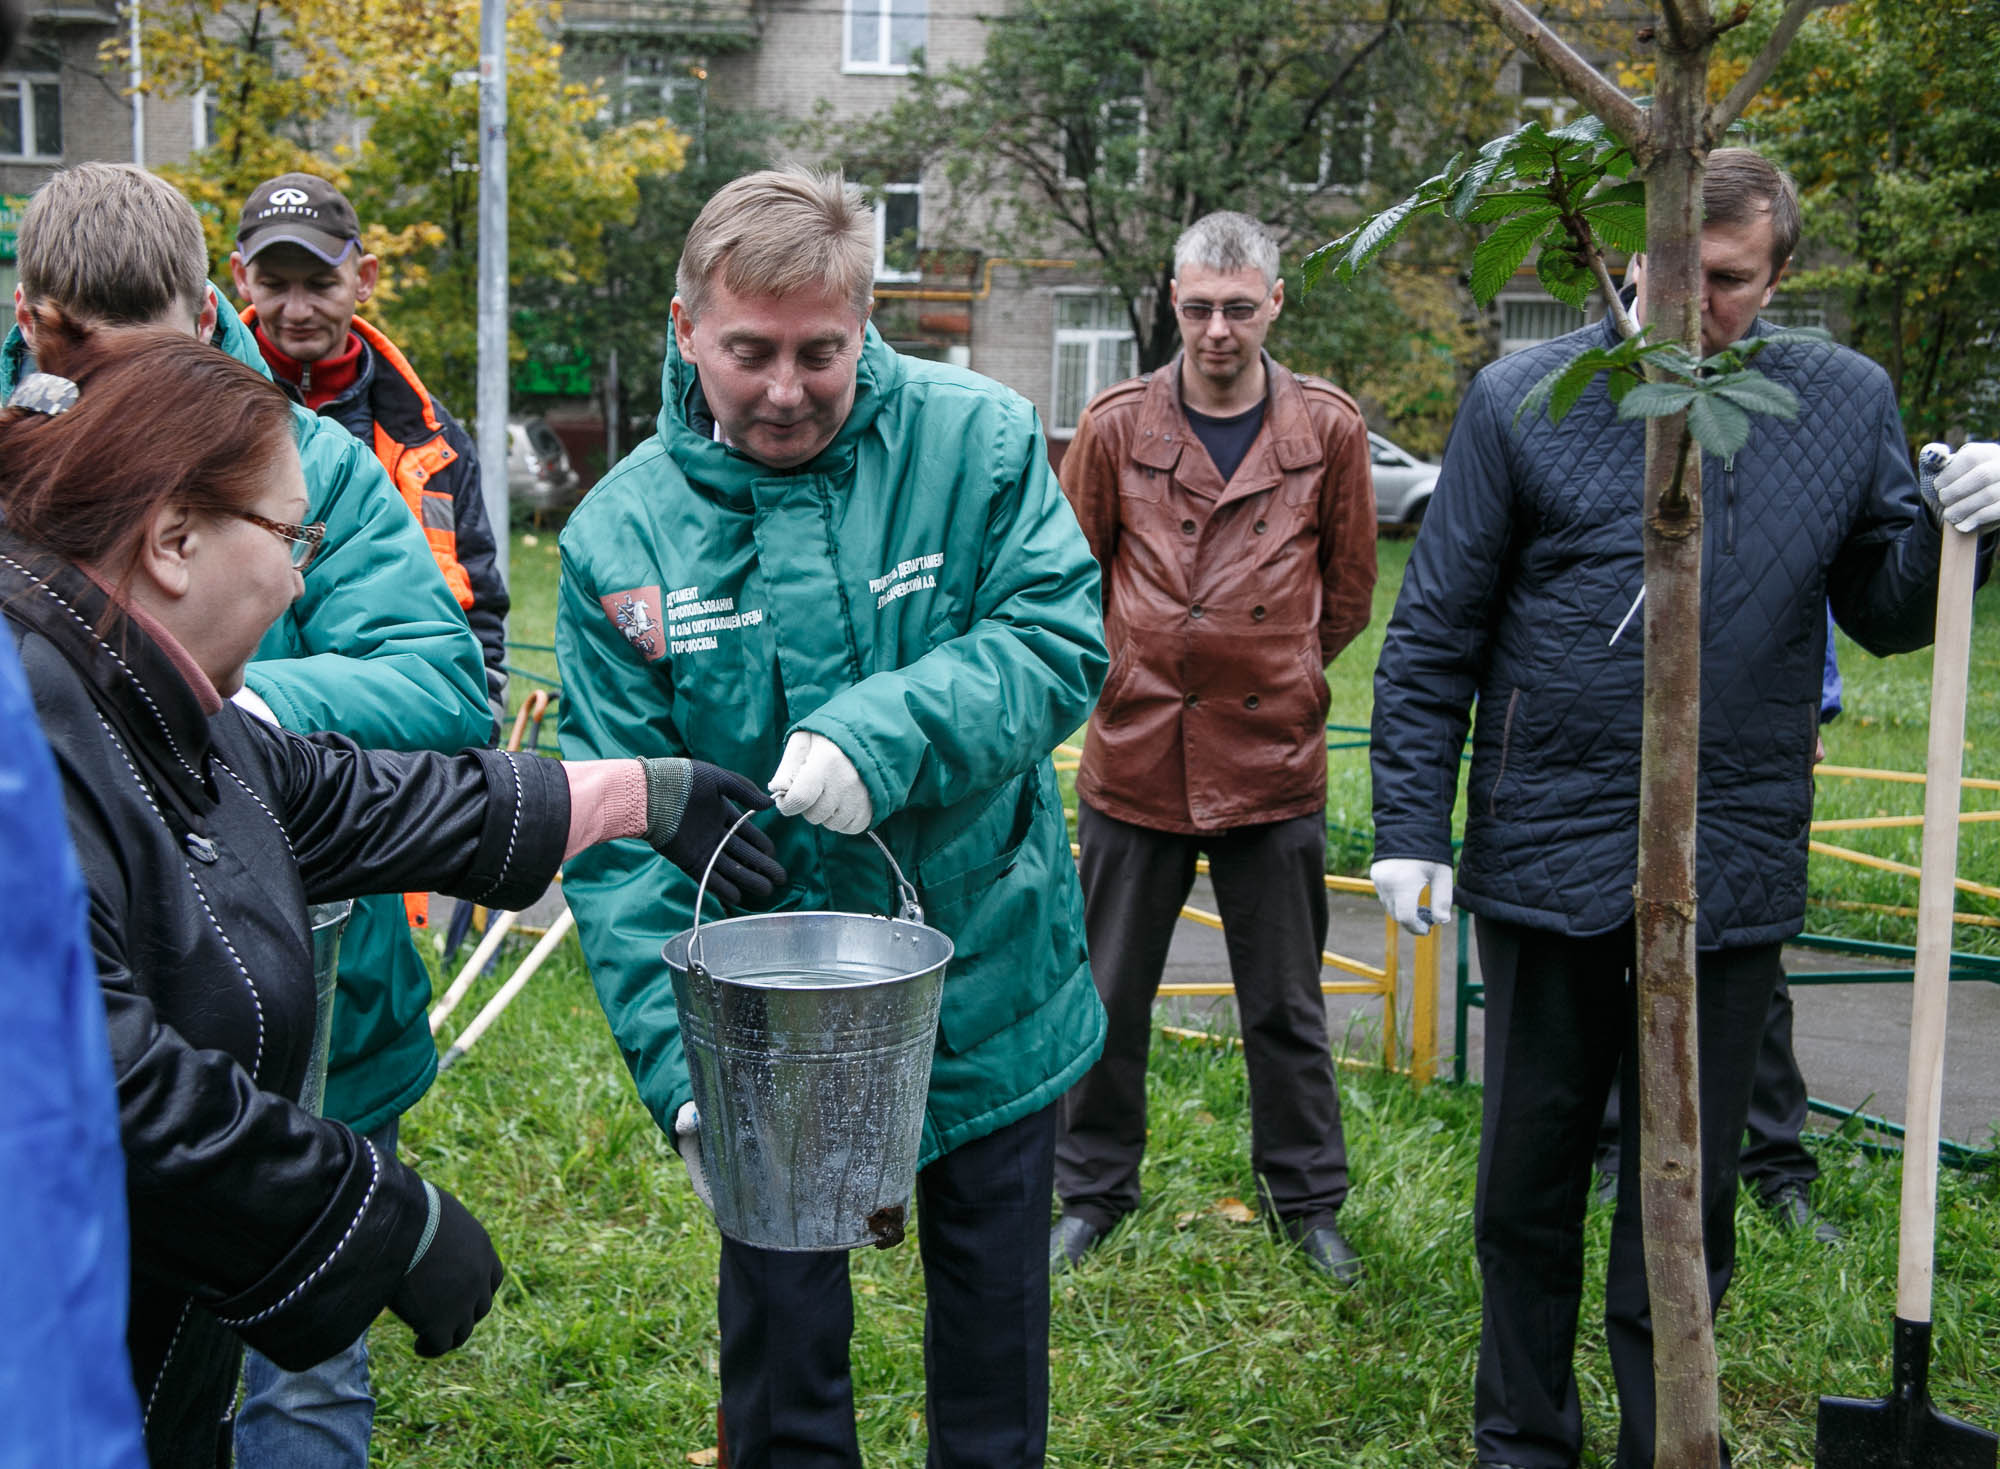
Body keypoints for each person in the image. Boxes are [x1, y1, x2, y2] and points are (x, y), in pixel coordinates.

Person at [0, 312, 782, 1469]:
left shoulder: (126, 690)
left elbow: (331, 794)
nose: (298, 572)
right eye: (290, 536)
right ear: (172, 538)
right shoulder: (29, 732)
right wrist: (370, 1217)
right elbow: (96, 1079)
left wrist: (625, 794)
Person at [1367, 147, 2000, 1469]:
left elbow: (1885, 612)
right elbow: (1433, 635)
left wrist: (1961, 523)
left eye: (1724, 280)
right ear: (1625, 249)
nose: (1685, 302)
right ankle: (1524, 1435)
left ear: (1773, 280)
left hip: (1731, 855)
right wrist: (1412, 827)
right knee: (1529, 1180)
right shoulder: (1524, 397)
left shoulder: (1838, 401)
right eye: (1665, 267)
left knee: (1689, 1192)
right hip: (1551, 848)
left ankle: (1674, 1436)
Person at [556, 166, 1107, 1468]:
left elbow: (1053, 636)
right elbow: (626, 845)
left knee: (991, 1338)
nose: (787, 388)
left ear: (869, 323)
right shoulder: (619, 537)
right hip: (763, 1037)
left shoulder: (974, 442)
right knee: (783, 1348)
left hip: (986, 974)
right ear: (687, 327)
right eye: (750, 352)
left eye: (822, 351)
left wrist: (886, 731)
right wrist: (684, 1074)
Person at [0, 161, 496, 1468]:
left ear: (208, 313)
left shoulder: (306, 458)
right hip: (76, 1052)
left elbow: (441, 676)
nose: (144, 422)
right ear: (38, 326)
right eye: (104, 370)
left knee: (301, 1365)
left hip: (303, 997)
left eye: (172, 363)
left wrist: (208, 704)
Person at [1049, 211, 1377, 1281]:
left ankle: (1306, 1200)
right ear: (1172, 301)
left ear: (1274, 302)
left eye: (1238, 307)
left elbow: (1349, 591)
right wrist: (1139, 668)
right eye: (1197, 307)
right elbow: (1070, 576)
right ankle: (1090, 1190)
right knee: (1106, 991)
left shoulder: (1327, 428)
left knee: (1284, 1000)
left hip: (1271, 760)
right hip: (1134, 753)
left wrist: (1274, 670)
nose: (1216, 329)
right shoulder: (1111, 424)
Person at [1593, 613, 1846, 1242]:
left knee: (1747, 957)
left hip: (1745, 732)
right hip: (1609, 727)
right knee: (1611, 943)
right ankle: (1613, 1148)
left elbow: (1802, 576)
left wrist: (1813, 701)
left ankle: (1776, 1165)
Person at [230, 171, 511, 737]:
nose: (298, 307)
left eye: (320, 283)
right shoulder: (196, 418)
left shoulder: (434, 443)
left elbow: (474, 603)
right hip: (245, 730)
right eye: (275, 284)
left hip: (390, 743)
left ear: (365, 277)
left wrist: (479, 714)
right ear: (240, 278)